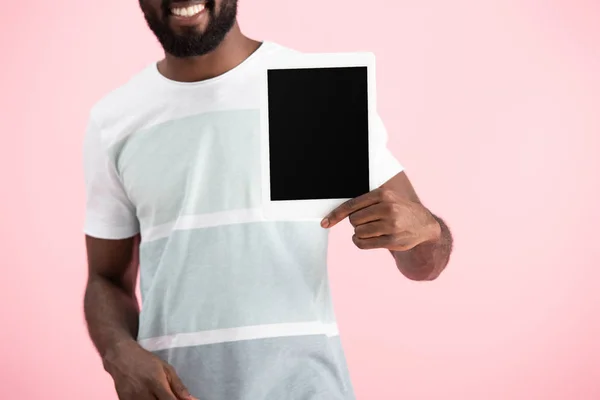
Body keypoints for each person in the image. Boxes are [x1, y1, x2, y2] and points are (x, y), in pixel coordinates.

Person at [82, 0, 454, 399]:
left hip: (308, 388)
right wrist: (118, 352)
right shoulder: (116, 119)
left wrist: (426, 232)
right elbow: (106, 279)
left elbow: (422, 263)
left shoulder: (320, 90)